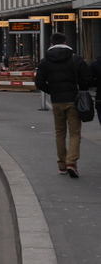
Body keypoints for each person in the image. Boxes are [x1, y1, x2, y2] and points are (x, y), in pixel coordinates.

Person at [34, 32, 92, 178]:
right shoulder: (75, 58)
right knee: (75, 133)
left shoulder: (45, 61)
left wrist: (52, 91)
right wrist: (79, 89)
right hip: (73, 99)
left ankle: (62, 165)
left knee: (60, 133)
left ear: (51, 44)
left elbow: (39, 82)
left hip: (56, 101)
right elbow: (87, 79)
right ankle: (71, 162)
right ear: (65, 42)